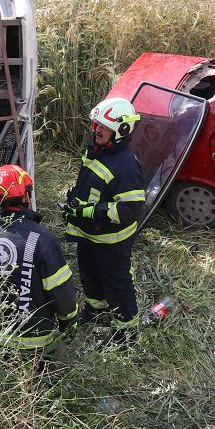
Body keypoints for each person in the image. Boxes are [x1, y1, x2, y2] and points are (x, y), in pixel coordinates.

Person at [0, 164, 79, 357]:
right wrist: (69, 322)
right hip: (34, 344)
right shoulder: (44, 239)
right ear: (26, 196)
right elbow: (62, 292)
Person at [63, 96, 146, 343]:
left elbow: (129, 211)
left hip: (111, 241)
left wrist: (88, 211)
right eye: (96, 124)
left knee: (117, 284)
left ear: (121, 130)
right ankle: (95, 310)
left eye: (104, 127)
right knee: (89, 274)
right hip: (90, 234)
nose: (97, 130)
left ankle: (127, 333)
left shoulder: (126, 166)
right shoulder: (98, 150)